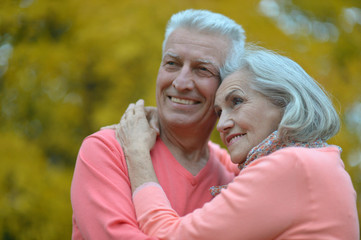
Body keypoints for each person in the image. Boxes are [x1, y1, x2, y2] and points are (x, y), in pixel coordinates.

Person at [118, 47, 360, 239]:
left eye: (236, 102)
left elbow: (168, 236)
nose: (222, 124)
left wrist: (137, 152)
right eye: (218, 111)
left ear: (284, 101)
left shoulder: (290, 166)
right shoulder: (317, 160)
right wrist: (172, 130)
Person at [70, 9, 246, 239]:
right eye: (172, 63)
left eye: (202, 69)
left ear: (228, 85)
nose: (181, 82)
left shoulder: (234, 174)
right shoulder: (108, 150)